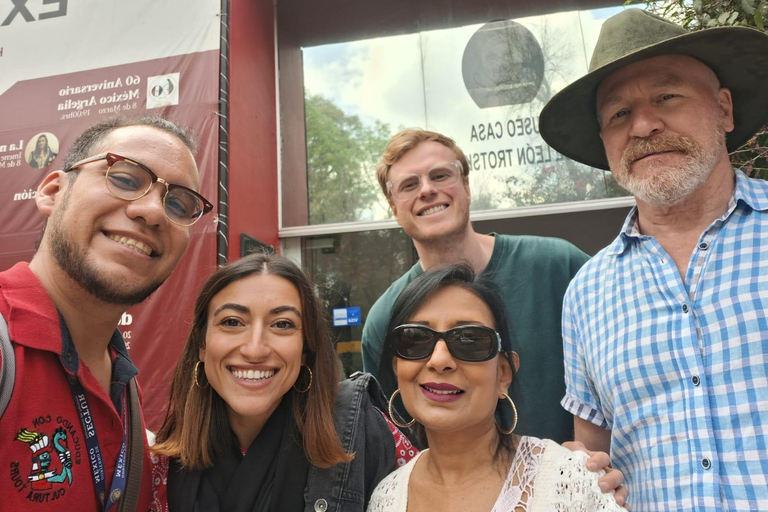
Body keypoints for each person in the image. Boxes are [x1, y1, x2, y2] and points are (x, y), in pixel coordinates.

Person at [538, 8, 768, 511]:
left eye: (667, 96)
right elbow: (593, 456)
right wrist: (580, 472)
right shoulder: (586, 293)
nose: (643, 125)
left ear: (724, 110)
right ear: (606, 142)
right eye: (619, 114)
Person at [0, 116, 212, 511]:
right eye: (126, 179)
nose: (152, 212)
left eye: (179, 204)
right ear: (52, 192)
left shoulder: (121, 377)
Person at [362, 129, 589, 443]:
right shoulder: (385, 319)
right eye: (409, 184)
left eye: (440, 175)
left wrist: (588, 456)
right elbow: (397, 439)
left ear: (466, 186)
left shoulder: (559, 266)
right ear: (393, 207)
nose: (427, 190)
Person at [150, 252, 417, 512]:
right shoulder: (157, 467)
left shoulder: (369, 436)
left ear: (305, 349)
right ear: (202, 344)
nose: (255, 350)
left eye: (282, 324)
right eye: (232, 322)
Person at [368, 265, 626, 511]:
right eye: (415, 339)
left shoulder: (572, 480)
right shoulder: (384, 497)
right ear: (397, 369)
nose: (439, 360)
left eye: (469, 340)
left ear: (503, 373)